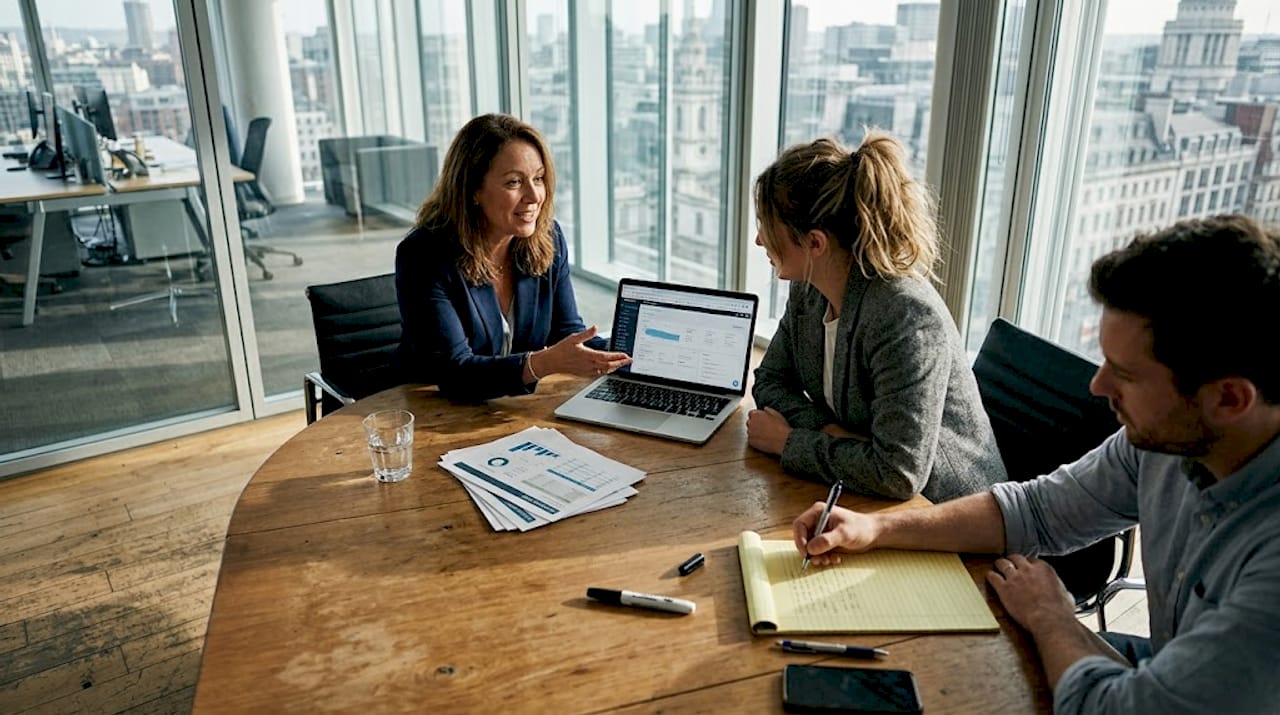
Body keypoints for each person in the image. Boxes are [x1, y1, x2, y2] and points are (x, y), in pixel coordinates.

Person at [792, 214, 1280, 714]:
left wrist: (1052, 615)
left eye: (1126, 375)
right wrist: (874, 529)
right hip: (1171, 670)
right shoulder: (1166, 443)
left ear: (1229, 398)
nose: (1098, 386)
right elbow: (1036, 510)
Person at [748, 131, 1005, 503]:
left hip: (947, 513)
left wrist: (789, 441)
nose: (759, 241)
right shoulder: (808, 290)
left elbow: (897, 473)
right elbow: (770, 381)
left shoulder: (903, 315)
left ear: (815, 243)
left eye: (768, 227)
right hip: (862, 494)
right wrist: (831, 432)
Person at [396, 114, 629, 401]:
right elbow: (455, 373)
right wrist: (544, 363)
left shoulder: (547, 238)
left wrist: (639, 351)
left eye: (539, 178)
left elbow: (566, 333)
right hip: (438, 413)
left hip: (511, 411)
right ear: (473, 189)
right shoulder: (424, 256)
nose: (534, 196)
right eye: (514, 182)